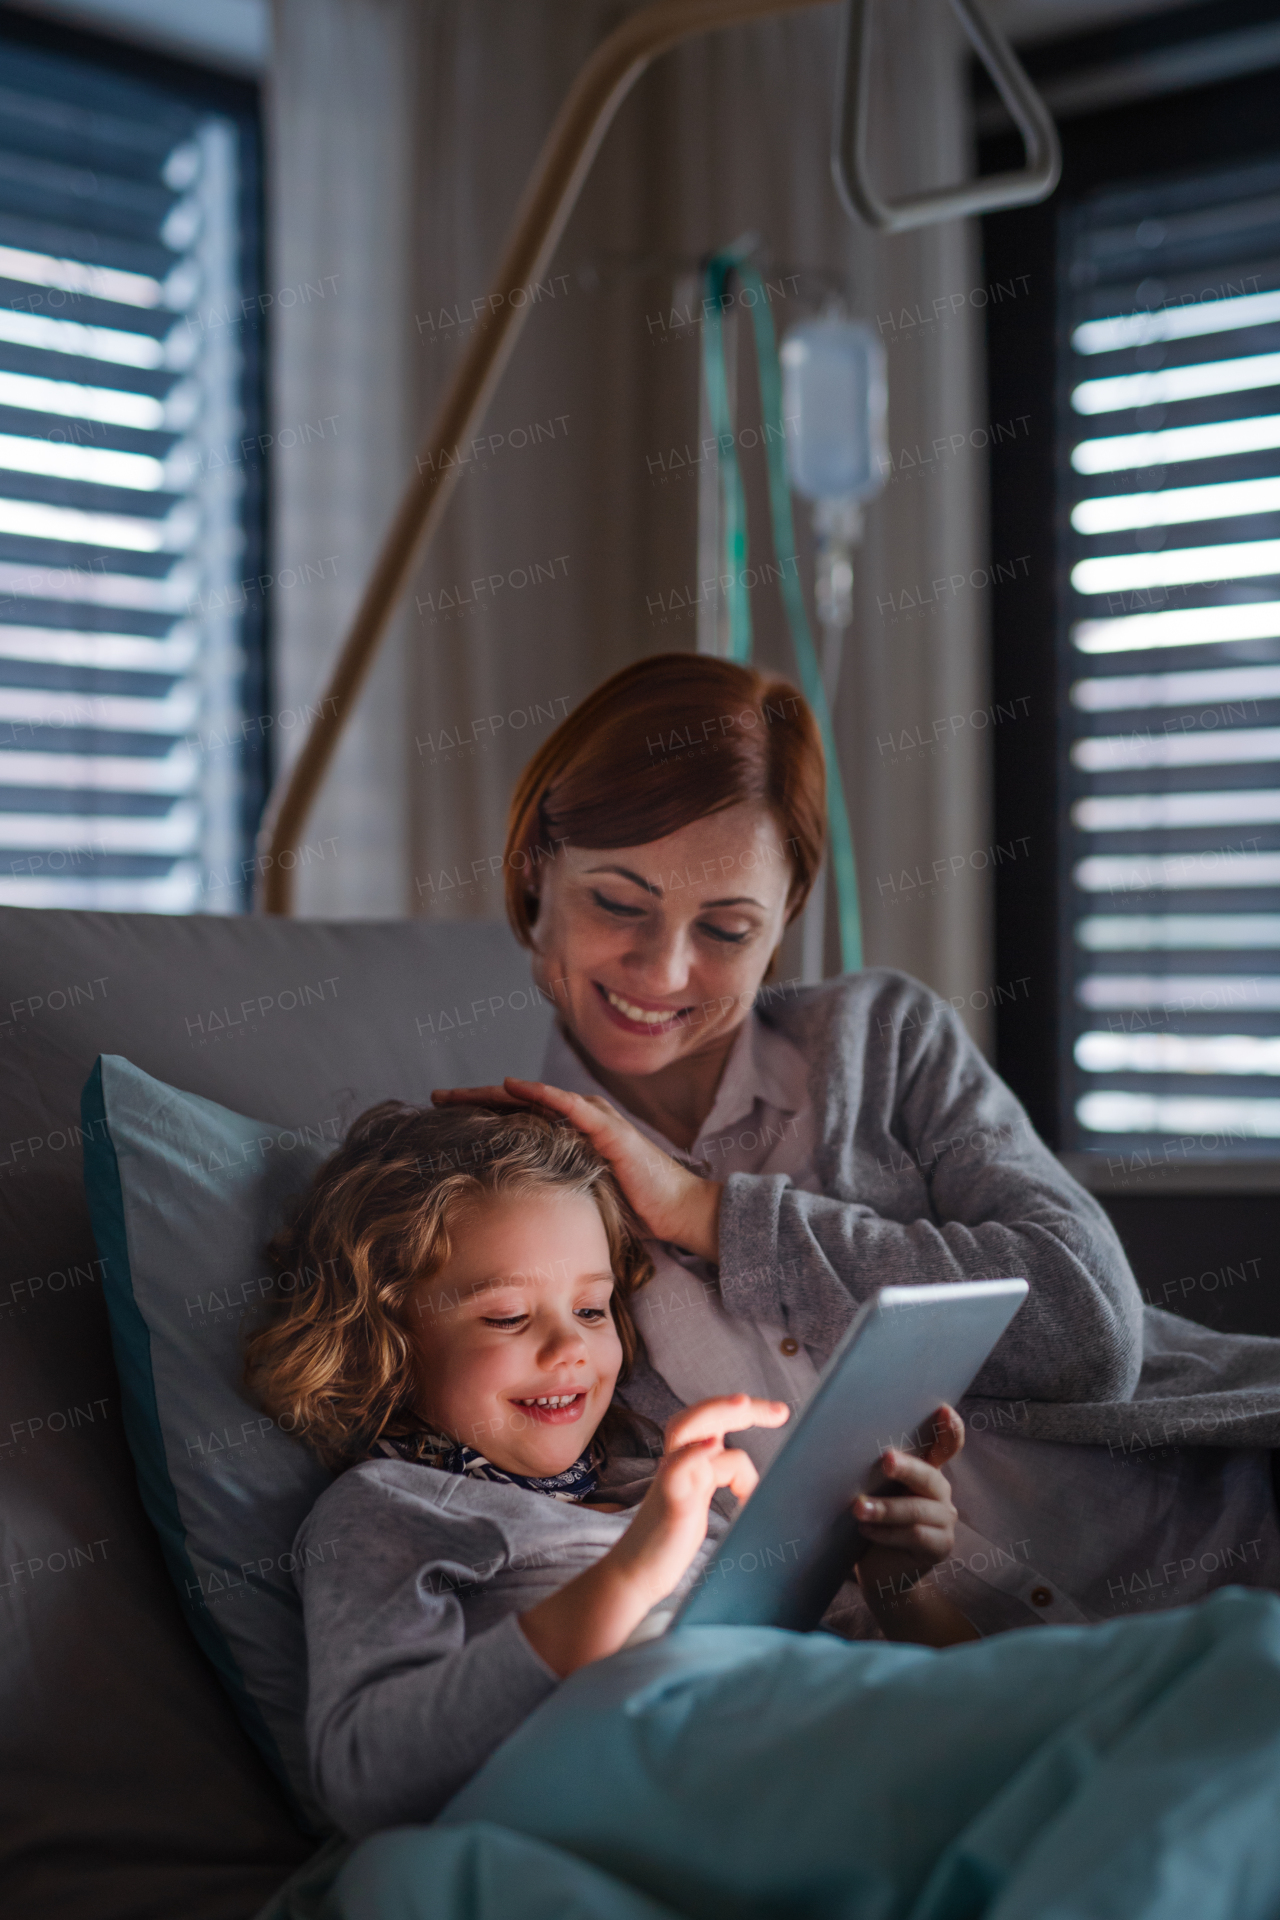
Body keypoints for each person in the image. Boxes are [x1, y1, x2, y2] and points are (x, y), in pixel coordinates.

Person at [432, 652, 1280, 1635]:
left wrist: (711, 1214)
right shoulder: (507, 1186)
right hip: (988, 1676)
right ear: (538, 868)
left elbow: (1089, 1328)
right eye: (618, 904)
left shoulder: (877, 1039)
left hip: (1224, 1531)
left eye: (726, 928)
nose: (662, 969)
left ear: (784, 918)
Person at [244, 1101, 974, 1838]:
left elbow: (961, 1701)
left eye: (592, 1310)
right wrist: (634, 1572)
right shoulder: (391, 1506)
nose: (572, 1349)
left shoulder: (659, 1487)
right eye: (507, 1318)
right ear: (389, 1338)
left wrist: (897, 1590)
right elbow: (368, 1778)